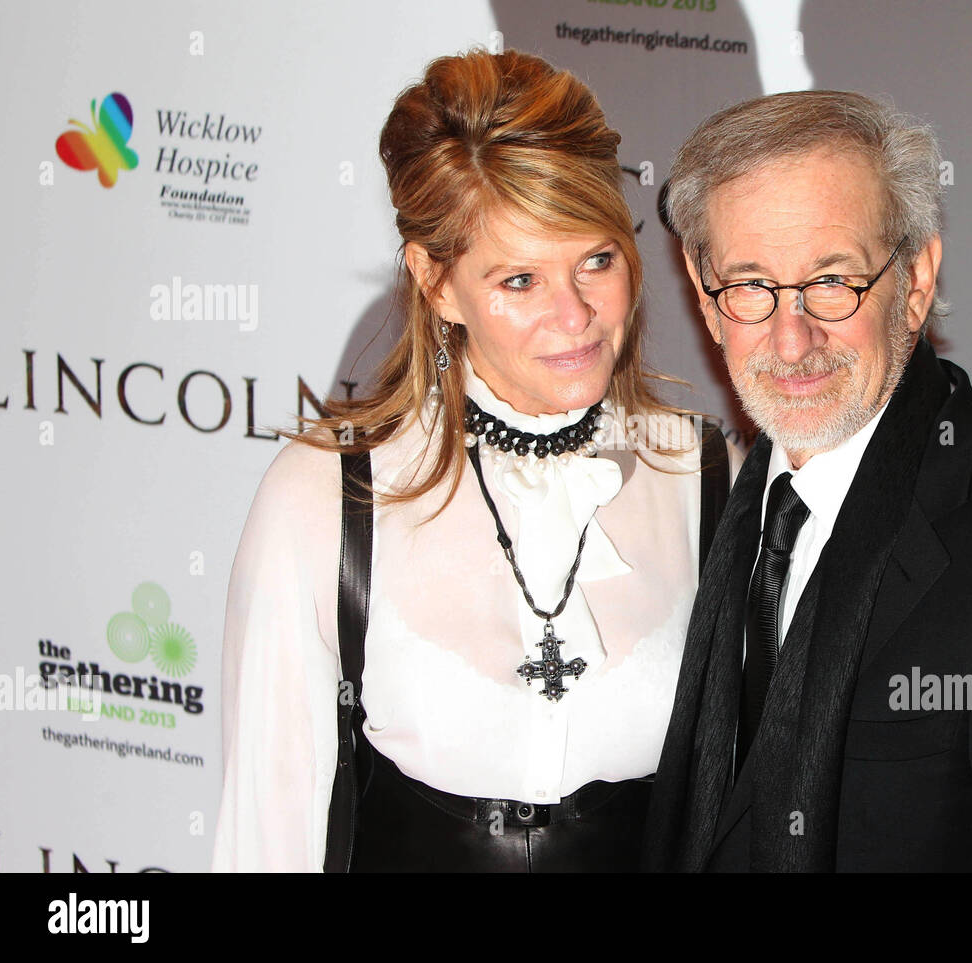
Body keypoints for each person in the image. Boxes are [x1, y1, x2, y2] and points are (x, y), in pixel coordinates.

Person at [211, 48, 731, 872]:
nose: (576, 316)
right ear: (436, 281)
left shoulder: (710, 478)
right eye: (520, 280)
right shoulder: (327, 498)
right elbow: (267, 838)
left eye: (596, 260)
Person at [644, 90, 972, 872]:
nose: (792, 340)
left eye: (832, 281)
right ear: (703, 292)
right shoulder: (728, 499)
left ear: (917, 277)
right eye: (751, 286)